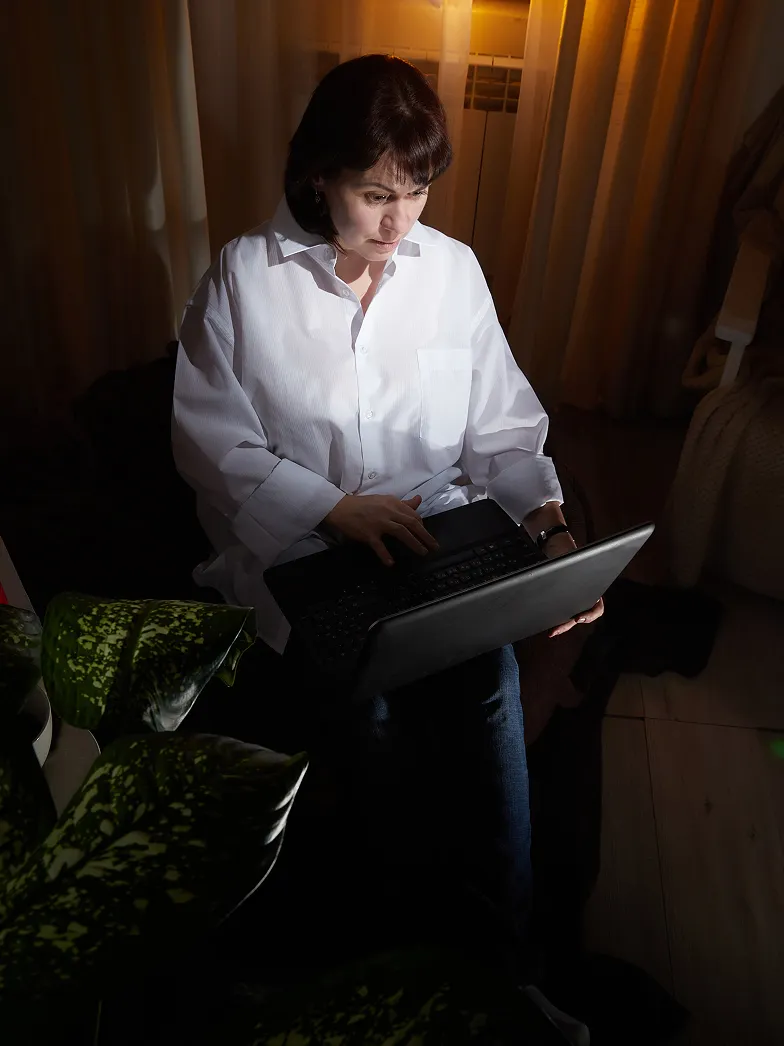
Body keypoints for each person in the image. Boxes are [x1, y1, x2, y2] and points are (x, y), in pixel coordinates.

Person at [172, 54, 603, 979]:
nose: (398, 222)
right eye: (374, 194)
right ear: (319, 173)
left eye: (416, 193)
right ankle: (397, 954)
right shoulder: (244, 280)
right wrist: (334, 507)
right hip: (304, 546)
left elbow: (502, 424)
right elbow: (211, 446)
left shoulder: (451, 271)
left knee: (485, 683)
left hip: (440, 527)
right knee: (369, 713)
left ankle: (504, 965)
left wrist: (550, 526)